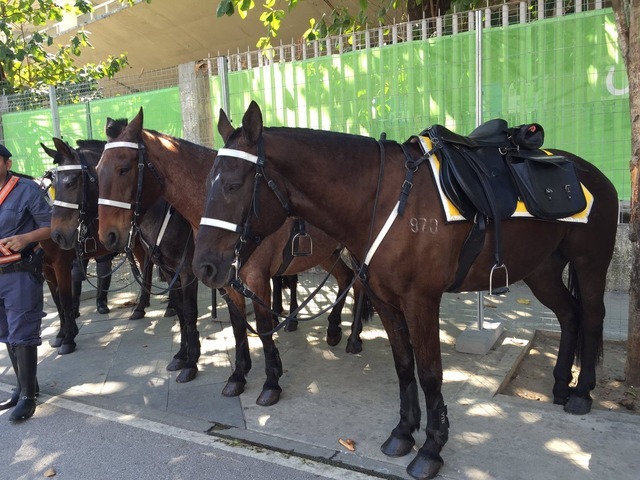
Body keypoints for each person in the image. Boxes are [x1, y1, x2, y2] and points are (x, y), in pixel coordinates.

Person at [0, 143, 52, 422]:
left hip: (20, 274)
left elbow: (52, 225)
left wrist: (26, 238)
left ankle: (29, 397)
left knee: (22, 334)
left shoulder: (27, 190)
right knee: (6, 333)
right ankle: (22, 387)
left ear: (7, 164)